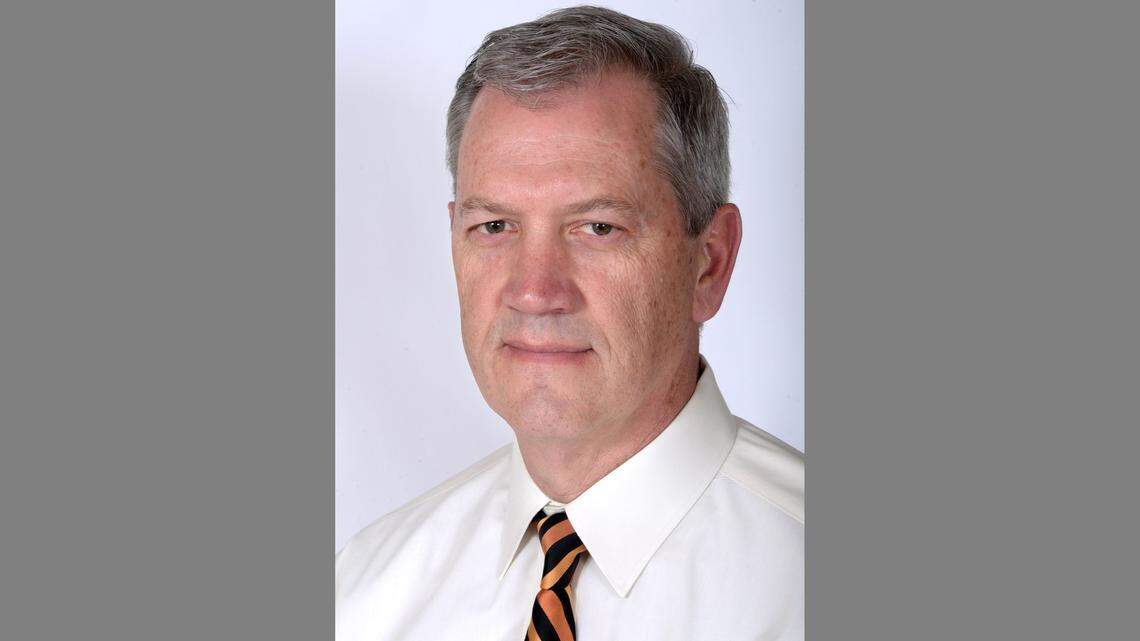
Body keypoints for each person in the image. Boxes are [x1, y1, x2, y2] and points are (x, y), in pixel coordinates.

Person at [336, 6, 803, 640]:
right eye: (494, 226)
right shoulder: (363, 593)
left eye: (598, 227)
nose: (534, 291)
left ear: (708, 263)